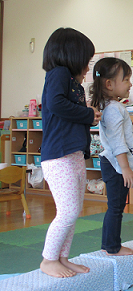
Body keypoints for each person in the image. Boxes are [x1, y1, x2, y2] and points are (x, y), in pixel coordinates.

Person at [40, 27, 101, 278]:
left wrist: (89, 114)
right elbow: (55, 104)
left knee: (74, 211)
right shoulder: (58, 74)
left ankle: (62, 258)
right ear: (71, 56)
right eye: (86, 62)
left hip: (74, 154)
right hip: (58, 156)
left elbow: (68, 113)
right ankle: (48, 259)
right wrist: (87, 114)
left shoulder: (74, 84)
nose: (87, 68)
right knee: (67, 211)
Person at [89, 57, 133, 256]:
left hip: (113, 163)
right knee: (116, 207)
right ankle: (112, 247)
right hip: (115, 164)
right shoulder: (114, 110)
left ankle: (110, 244)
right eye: (126, 79)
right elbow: (118, 142)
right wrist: (125, 168)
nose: (130, 84)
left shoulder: (112, 107)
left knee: (116, 206)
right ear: (109, 84)